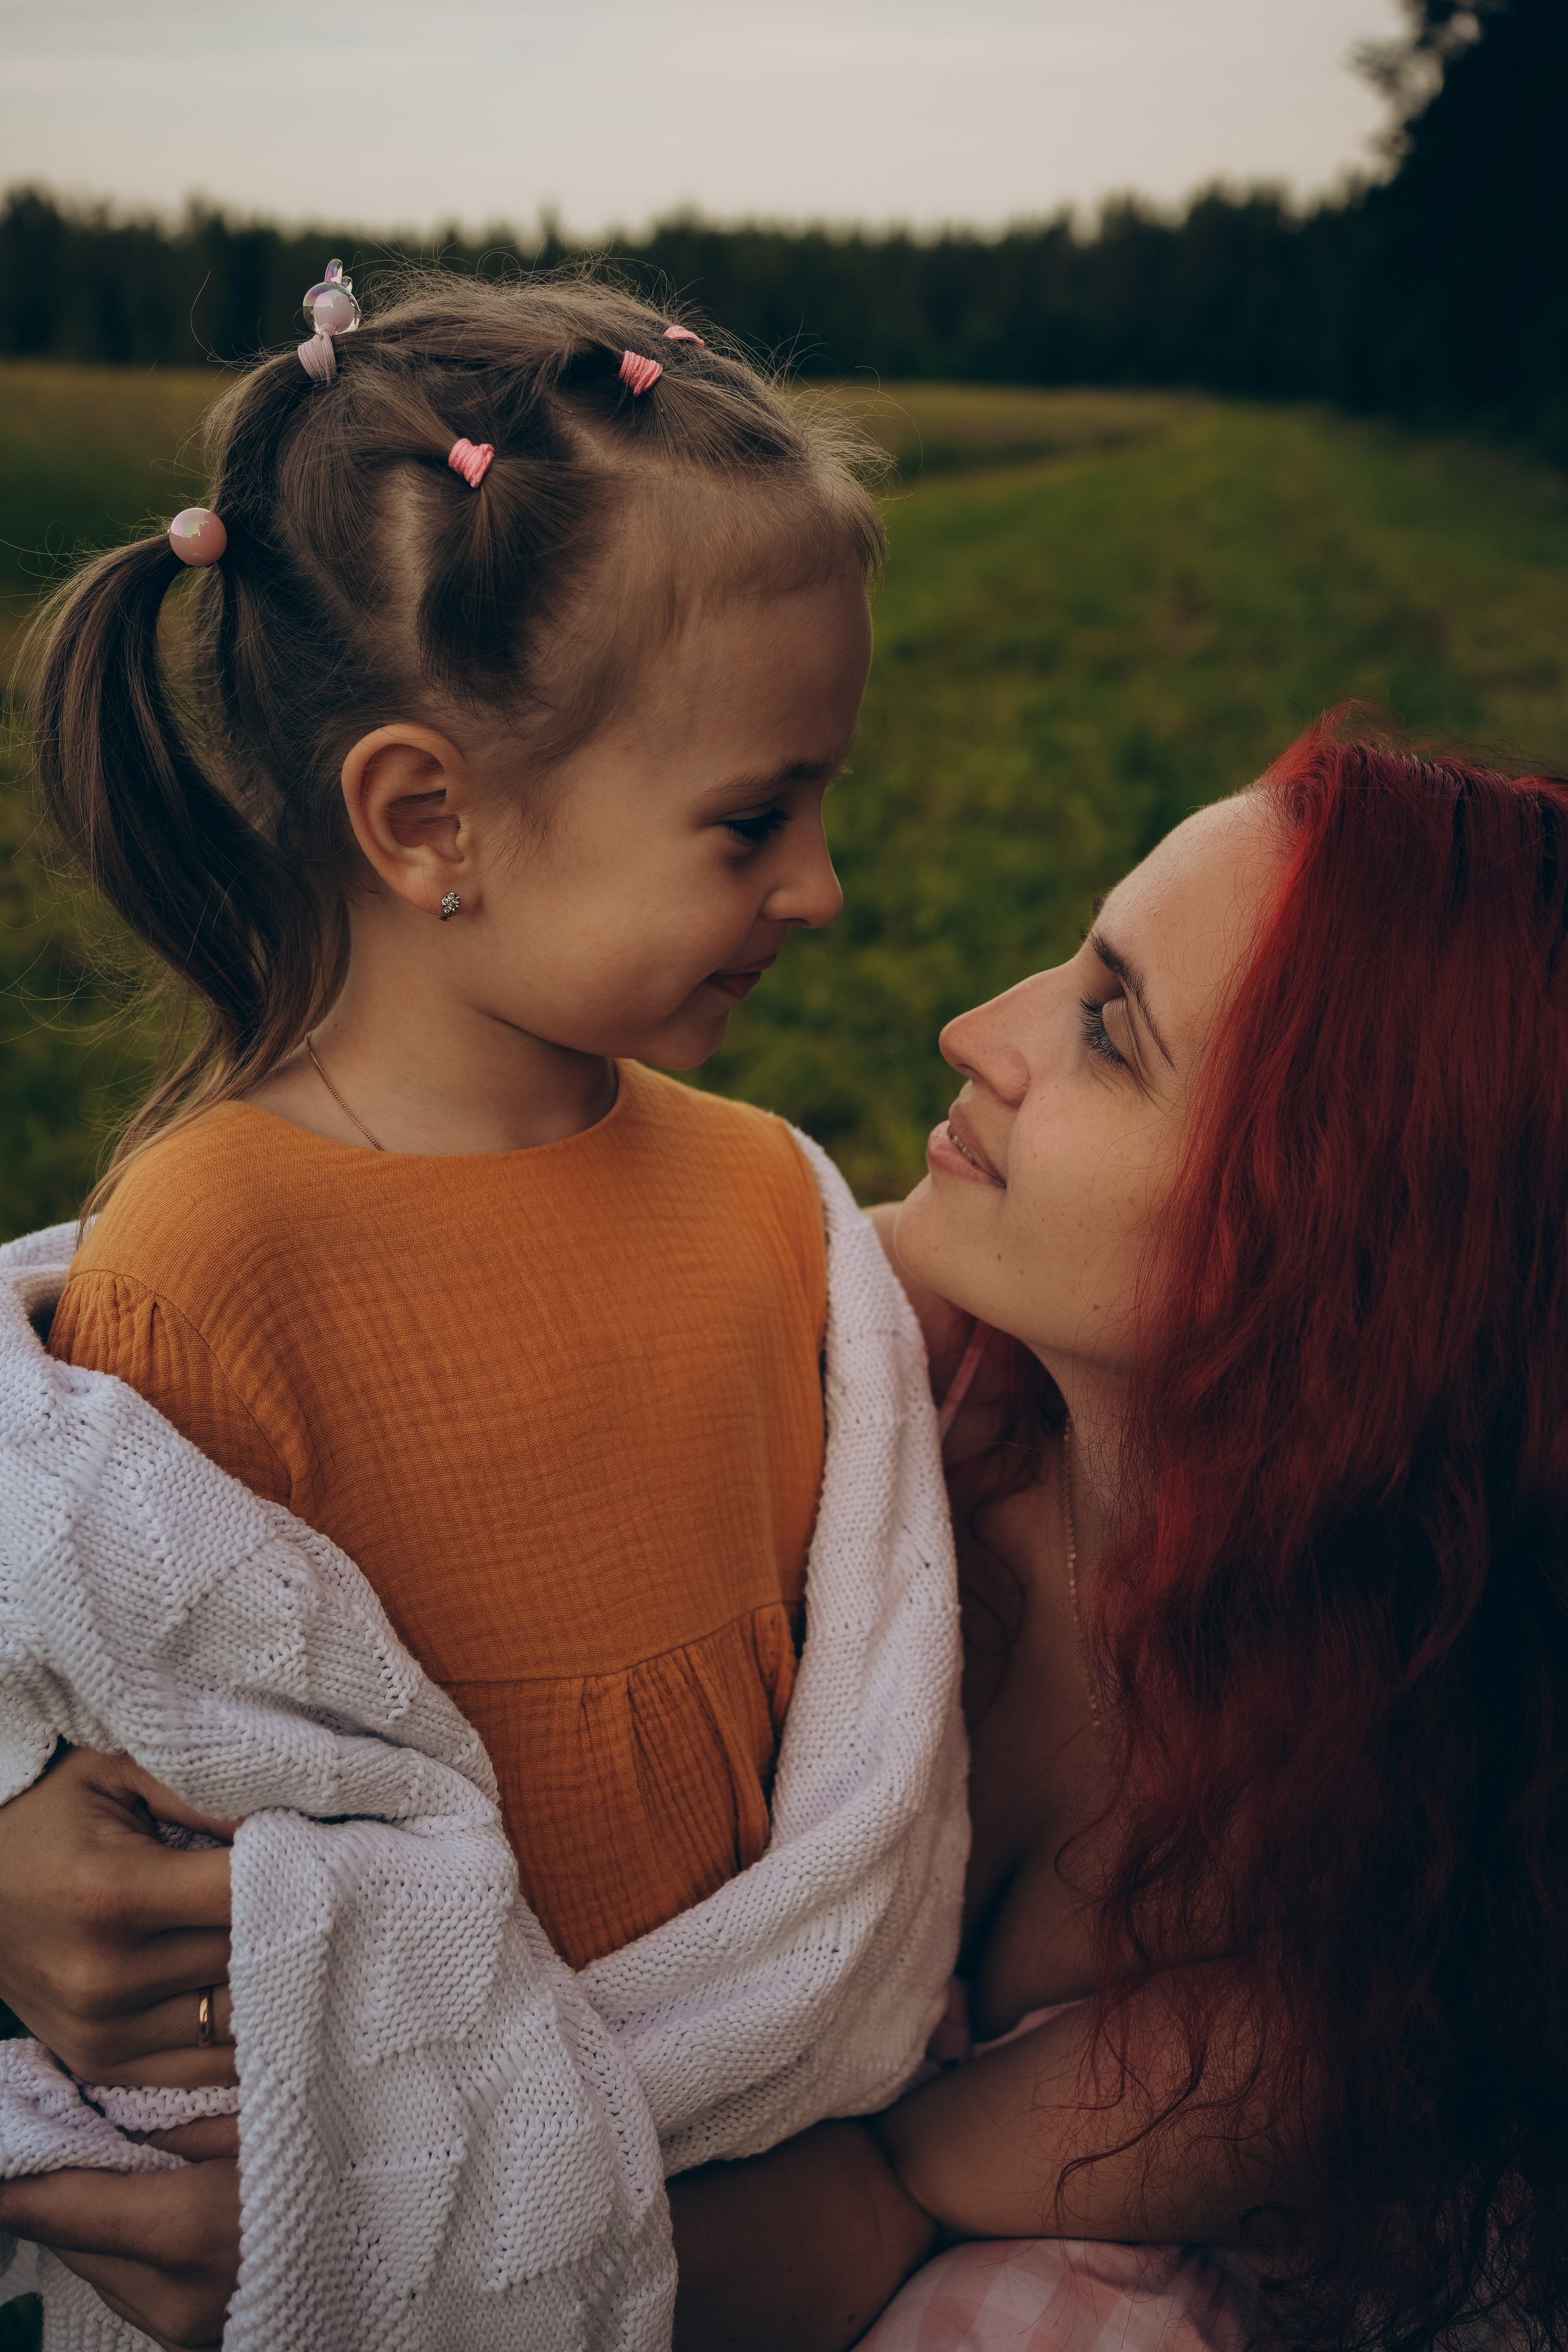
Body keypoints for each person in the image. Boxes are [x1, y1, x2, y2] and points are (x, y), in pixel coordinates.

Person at [0, 262, 898, 2345]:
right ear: (430, 822)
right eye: (756, 819)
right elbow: (137, 1780)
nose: (824, 886)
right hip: (417, 2176)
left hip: (755, 2154)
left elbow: (861, 1691)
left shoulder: (766, 1193)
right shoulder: (221, 1249)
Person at [667, 721, 1568, 2352]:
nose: (974, 1030)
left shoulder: (1394, 1863)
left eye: (1109, 1029)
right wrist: (49, 1826)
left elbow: (848, 2216)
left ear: (1336, 1245)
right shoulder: (887, 1374)